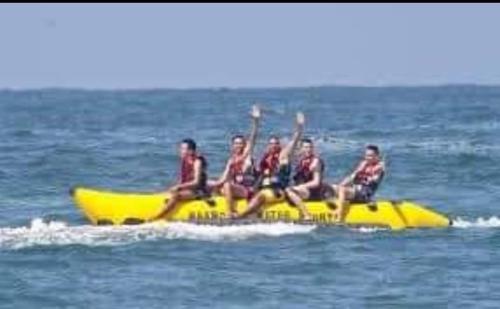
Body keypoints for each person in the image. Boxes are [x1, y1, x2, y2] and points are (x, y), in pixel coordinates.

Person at [235, 112, 309, 219]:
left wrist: (300, 127)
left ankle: (240, 216)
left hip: (278, 191)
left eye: (276, 144)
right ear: (268, 146)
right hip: (264, 189)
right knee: (257, 193)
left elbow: (294, 140)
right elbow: (252, 142)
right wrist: (256, 121)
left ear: (279, 145)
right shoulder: (265, 159)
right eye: (271, 144)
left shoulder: (282, 157)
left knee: (261, 196)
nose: (273, 146)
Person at [209, 105, 261, 218]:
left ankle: (230, 212)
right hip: (235, 189)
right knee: (218, 185)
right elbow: (222, 179)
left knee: (227, 185)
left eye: (240, 143)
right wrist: (208, 183)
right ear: (232, 145)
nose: (238, 145)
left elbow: (253, 138)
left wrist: (255, 121)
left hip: (247, 190)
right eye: (236, 143)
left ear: (244, 145)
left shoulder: (246, 156)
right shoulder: (231, 160)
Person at [153, 138, 208, 220]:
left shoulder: (197, 162)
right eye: (180, 148)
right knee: (167, 192)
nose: (180, 151)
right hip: (188, 190)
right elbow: (183, 179)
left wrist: (179, 187)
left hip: (197, 191)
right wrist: (177, 188)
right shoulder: (185, 160)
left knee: (176, 196)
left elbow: (196, 182)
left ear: (191, 151)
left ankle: (156, 218)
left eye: (183, 149)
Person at [330, 144, 385, 222]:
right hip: (355, 191)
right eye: (366, 155)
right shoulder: (363, 164)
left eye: (370, 156)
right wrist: (339, 186)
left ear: (377, 156)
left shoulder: (379, 167)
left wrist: (373, 174)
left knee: (342, 190)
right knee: (333, 187)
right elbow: (351, 177)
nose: (367, 158)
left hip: (364, 194)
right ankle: (334, 205)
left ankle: (338, 217)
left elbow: (375, 179)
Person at [285, 138, 325, 220]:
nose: (308, 149)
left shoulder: (315, 162)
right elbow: (287, 154)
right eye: (306, 147)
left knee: (289, 190)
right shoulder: (301, 160)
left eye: (310, 147)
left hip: (311, 192)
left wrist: (302, 186)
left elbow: (316, 182)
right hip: (302, 190)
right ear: (301, 149)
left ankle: (307, 215)